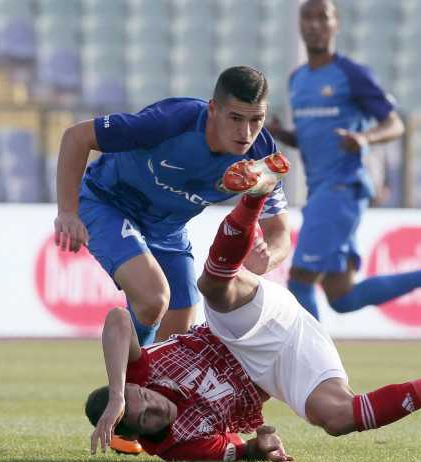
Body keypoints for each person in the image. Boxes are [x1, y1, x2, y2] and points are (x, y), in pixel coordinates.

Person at [85, 172, 421, 462]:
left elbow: (117, 321)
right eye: (145, 417)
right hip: (276, 371)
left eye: (143, 399)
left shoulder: (138, 371)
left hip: (236, 331)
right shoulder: (178, 446)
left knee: (212, 289)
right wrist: (262, 449)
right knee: (337, 419)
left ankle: (254, 194)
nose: (153, 406)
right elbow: (239, 452)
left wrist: (121, 392)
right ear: (142, 436)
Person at [54, 66, 291, 348]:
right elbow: (76, 137)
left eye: (257, 120)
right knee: (153, 299)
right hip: (107, 202)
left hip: (168, 229)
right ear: (213, 109)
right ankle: (125, 373)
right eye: (236, 118)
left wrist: (268, 257)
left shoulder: (262, 156)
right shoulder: (172, 121)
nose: (246, 132)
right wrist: (67, 211)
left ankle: (135, 385)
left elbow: (279, 231)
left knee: (178, 334)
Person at [266, 0, 421, 321]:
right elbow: (312, 138)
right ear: (300, 25)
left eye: (323, 17)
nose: (315, 24)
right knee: (341, 296)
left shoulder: (351, 74)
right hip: (321, 189)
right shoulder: (297, 80)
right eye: (308, 17)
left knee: (301, 280)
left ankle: (313, 370)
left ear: (336, 24)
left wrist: (364, 139)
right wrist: (283, 133)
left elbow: (395, 124)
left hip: (342, 188)